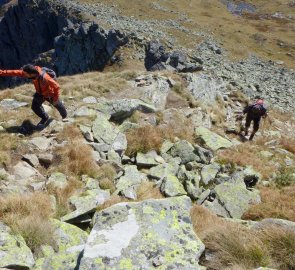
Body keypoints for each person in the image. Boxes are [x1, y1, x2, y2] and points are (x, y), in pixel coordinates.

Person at [0, 64, 67, 128]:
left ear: (31, 74)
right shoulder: (30, 72)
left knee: (58, 105)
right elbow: (14, 72)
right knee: (35, 107)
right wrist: (1, 72)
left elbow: (57, 86)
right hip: (39, 93)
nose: (24, 75)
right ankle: (45, 117)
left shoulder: (45, 77)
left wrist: (55, 98)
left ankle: (65, 117)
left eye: (25, 74)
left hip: (49, 93)